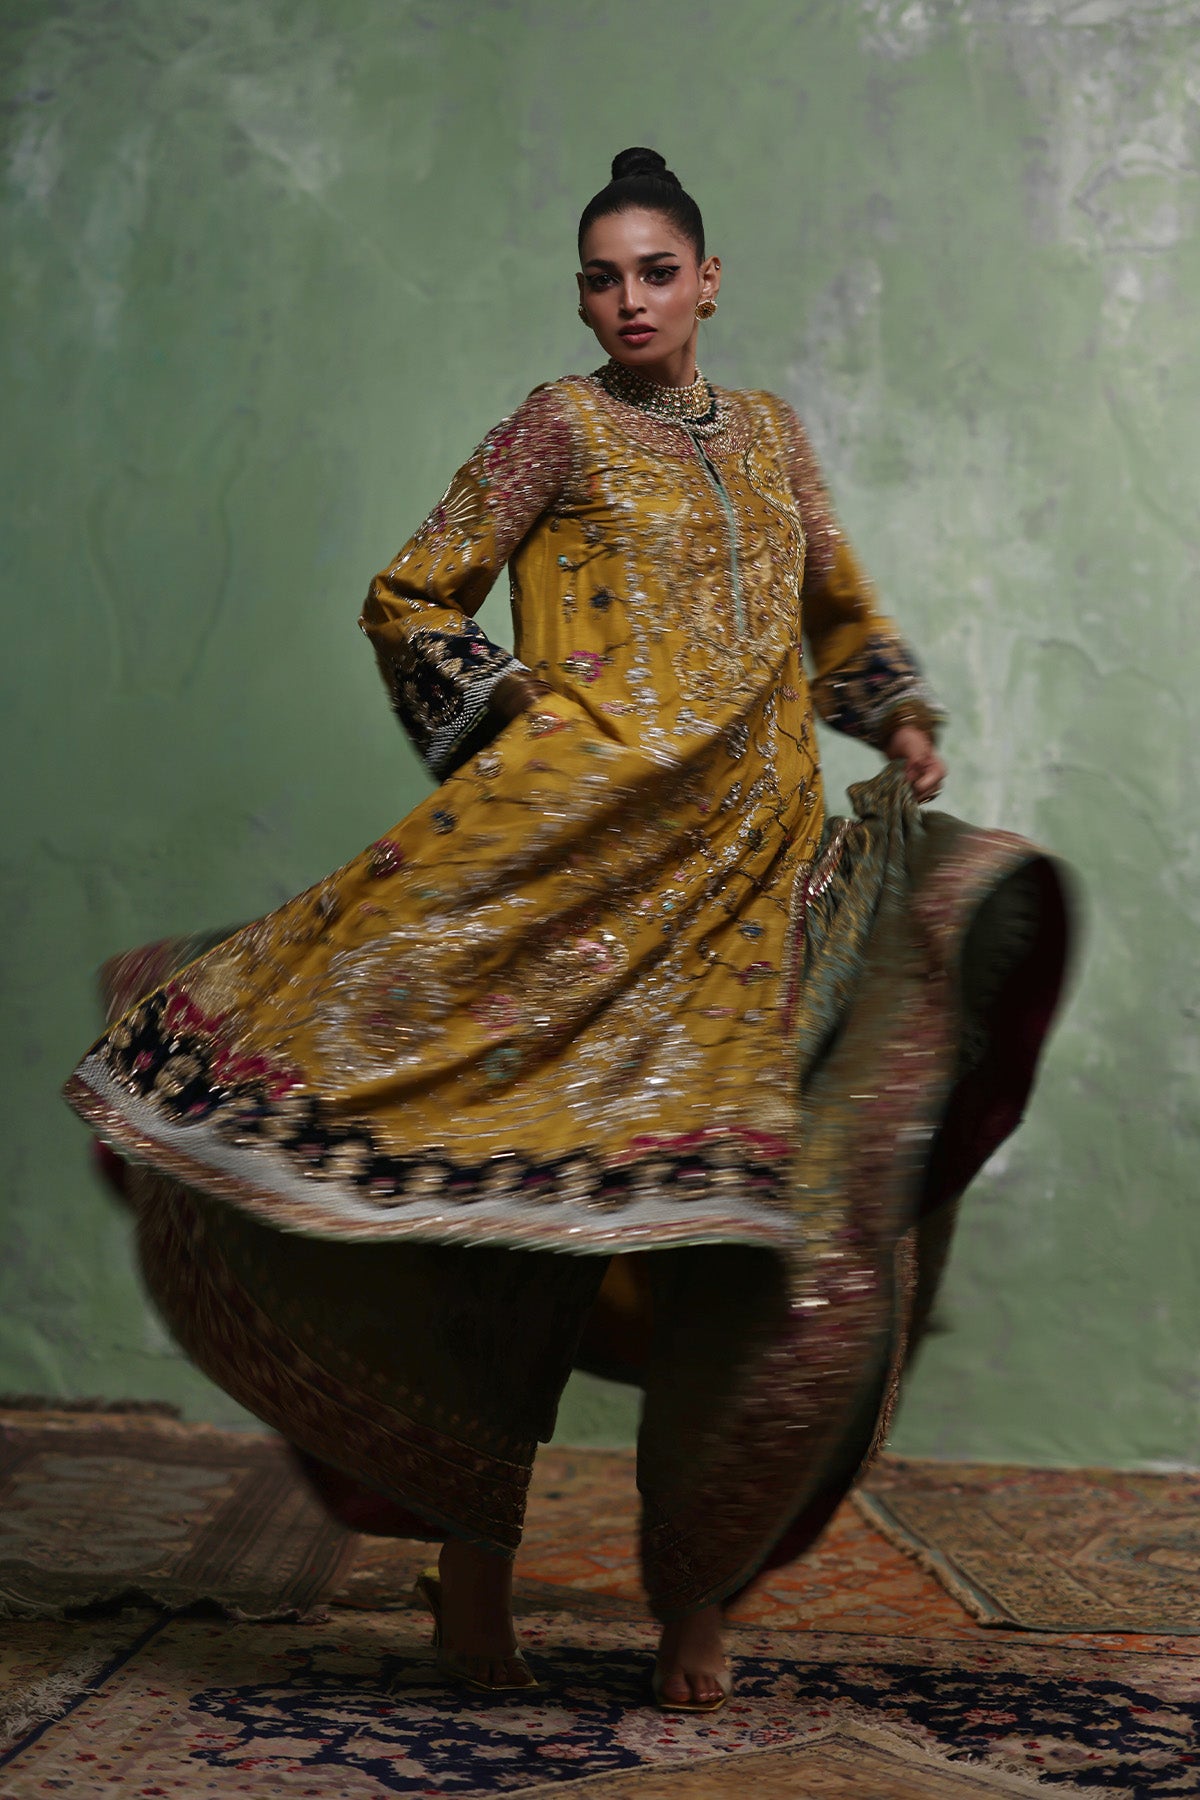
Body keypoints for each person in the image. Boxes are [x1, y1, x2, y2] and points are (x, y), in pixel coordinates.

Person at [65, 148, 1071, 1712]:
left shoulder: (773, 436)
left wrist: (899, 717)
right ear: (582, 296)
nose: (630, 301)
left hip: (749, 891)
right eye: (604, 278)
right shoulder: (560, 423)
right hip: (575, 880)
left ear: (709, 280)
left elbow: (834, 608)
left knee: (726, 1237)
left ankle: (697, 1605)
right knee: (508, 1223)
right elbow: (413, 595)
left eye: (657, 272)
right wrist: (520, 726)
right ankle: (471, 1578)